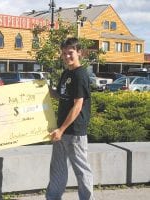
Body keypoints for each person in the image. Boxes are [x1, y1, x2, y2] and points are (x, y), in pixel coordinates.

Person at [46, 37, 94, 200]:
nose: (67, 56)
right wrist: (41, 89)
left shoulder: (80, 75)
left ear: (79, 53)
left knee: (81, 170)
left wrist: (61, 129)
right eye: (64, 53)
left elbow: (78, 105)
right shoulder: (67, 73)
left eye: (70, 53)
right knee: (58, 169)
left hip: (74, 131)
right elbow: (60, 95)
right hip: (60, 130)